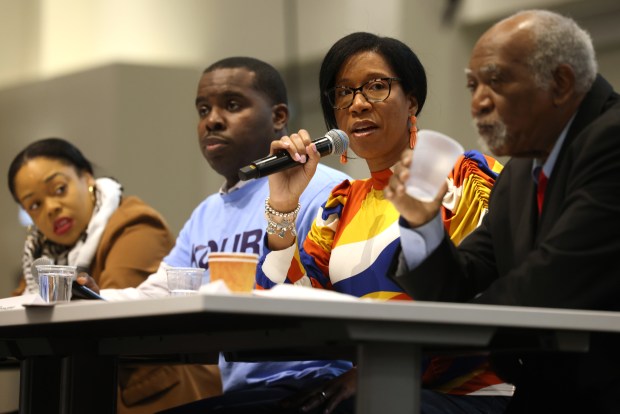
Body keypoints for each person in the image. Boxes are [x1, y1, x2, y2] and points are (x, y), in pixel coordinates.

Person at [76, 57, 353, 413]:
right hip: (242, 391)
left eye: (232, 105)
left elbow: (361, 298)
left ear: (279, 116)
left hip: (316, 385)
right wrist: (97, 299)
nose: (212, 120)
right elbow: (164, 290)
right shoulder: (208, 211)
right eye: (203, 109)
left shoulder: (326, 190)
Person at [255, 32, 510, 414]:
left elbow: (467, 300)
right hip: (373, 390)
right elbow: (285, 313)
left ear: (412, 100)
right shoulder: (339, 207)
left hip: (469, 393)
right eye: (343, 93)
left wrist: (373, 374)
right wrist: (284, 204)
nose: (357, 104)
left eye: (376, 87)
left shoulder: (465, 179)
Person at [386, 9, 620, 414]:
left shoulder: (612, 140)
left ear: (560, 83)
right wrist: (423, 220)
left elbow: (549, 286)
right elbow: (461, 280)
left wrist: (424, 333)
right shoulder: (520, 173)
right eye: (472, 85)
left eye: (496, 81)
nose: (478, 102)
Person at [7, 137, 221, 413]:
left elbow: (107, 328)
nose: (51, 208)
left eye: (59, 189)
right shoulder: (42, 252)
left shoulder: (136, 225)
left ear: (86, 178)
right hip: (78, 389)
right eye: (34, 205)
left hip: (150, 395)